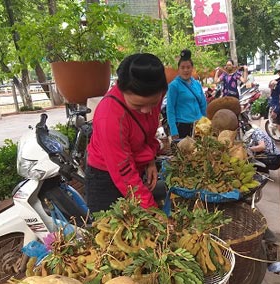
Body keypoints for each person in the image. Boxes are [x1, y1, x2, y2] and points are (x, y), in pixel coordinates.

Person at [85, 53, 168, 213]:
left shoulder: (157, 92)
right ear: (121, 89)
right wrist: (152, 210)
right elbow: (124, 174)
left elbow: (148, 133)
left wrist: (150, 160)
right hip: (106, 179)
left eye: (153, 103)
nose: (146, 110)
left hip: (134, 172)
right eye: (138, 105)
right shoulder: (110, 116)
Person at [166, 49, 207, 140]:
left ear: (192, 68)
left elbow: (203, 105)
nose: (186, 70)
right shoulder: (174, 86)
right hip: (182, 127)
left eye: (188, 67)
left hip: (199, 126)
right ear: (178, 69)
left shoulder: (197, 84)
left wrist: (206, 123)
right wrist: (173, 130)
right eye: (183, 67)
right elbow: (170, 109)